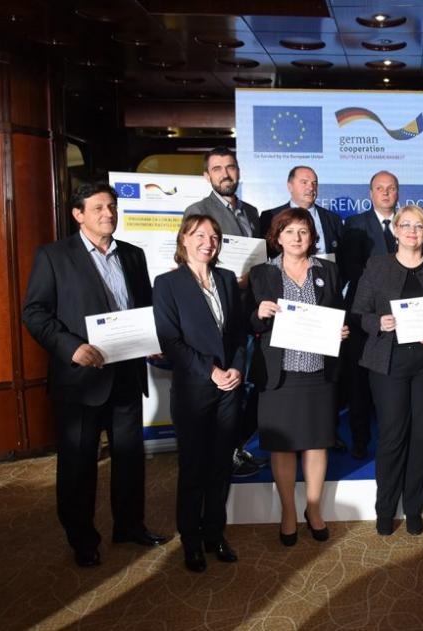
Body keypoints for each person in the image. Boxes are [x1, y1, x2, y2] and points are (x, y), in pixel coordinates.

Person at [22, 182, 168, 568]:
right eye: (99, 207)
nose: (109, 213)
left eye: (112, 206)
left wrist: (152, 340)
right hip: (80, 380)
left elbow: (143, 309)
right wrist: (71, 347)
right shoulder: (53, 256)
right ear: (78, 214)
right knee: (78, 465)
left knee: (129, 459)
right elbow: (34, 313)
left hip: (127, 375)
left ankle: (130, 526)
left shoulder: (133, 255)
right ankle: (82, 539)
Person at [352, 205, 423, 536]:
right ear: (395, 230)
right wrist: (378, 323)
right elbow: (359, 312)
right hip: (389, 361)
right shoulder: (377, 265)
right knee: (392, 435)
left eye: (419, 226)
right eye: (406, 225)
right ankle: (385, 509)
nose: (412, 231)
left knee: (422, 436)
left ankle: (413, 508)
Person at [248, 208, 349, 547]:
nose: (296, 237)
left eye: (303, 231)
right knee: (283, 446)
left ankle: (314, 508)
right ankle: (289, 511)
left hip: (319, 371)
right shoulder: (261, 273)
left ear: (312, 237)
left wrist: (341, 329)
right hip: (280, 374)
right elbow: (246, 322)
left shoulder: (328, 270)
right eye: (289, 231)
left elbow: (337, 313)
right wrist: (258, 313)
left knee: (317, 442)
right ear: (277, 237)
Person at [153, 214, 247, 573]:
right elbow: (170, 341)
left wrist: (236, 367)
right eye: (199, 235)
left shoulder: (226, 279)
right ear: (184, 240)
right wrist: (211, 371)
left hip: (229, 389)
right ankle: (190, 540)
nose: (208, 242)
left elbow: (238, 333)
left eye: (214, 236)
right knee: (193, 467)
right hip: (194, 389)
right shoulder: (167, 284)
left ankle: (214, 533)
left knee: (221, 465)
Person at [184, 146, 263, 476]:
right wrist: (231, 281)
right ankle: (222, 456)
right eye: (217, 169)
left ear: (238, 172)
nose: (225, 174)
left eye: (230, 167)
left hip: (250, 313)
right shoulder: (198, 210)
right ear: (207, 176)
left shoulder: (252, 212)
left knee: (245, 386)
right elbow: (194, 262)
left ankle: (235, 449)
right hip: (220, 316)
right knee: (226, 389)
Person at [340, 171, 402, 459]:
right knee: (358, 383)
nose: (386, 193)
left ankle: (396, 441)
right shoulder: (355, 224)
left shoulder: (408, 223)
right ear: (371, 193)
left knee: (396, 380)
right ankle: (360, 439)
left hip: (402, 316)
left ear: (398, 192)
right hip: (362, 313)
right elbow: (353, 269)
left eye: (391, 188)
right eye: (380, 188)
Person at [258, 165, 344, 267]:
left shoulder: (333, 219)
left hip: (326, 275)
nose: (311, 188)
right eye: (304, 182)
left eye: (314, 184)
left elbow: (343, 257)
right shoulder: (270, 217)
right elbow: (262, 258)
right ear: (290, 186)